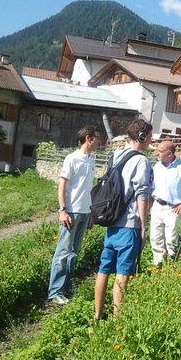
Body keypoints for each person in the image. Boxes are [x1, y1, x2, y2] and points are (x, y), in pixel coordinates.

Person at [94, 119, 153, 319]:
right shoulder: (141, 160)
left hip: (111, 222)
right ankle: (118, 320)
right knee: (123, 273)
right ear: (142, 137)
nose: (150, 141)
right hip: (129, 224)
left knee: (104, 269)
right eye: (149, 137)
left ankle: (98, 314)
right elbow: (142, 195)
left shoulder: (116, 155)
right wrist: (144, 225)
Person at [47, 125, 102, 305]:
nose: (99, 141)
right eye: (97, 137)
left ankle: (66, 288)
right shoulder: (72, 159)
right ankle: (55, 292)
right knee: (63, 253)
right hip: (71, 212)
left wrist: (91, 213)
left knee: (73, 253)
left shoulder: (91, 160)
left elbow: (87, 190)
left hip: (85, 213)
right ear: (88, 138)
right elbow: (62, 185)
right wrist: (62, 210)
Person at [150, 141, 181, 268]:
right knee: (155, 238)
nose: (157, 153)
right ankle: (158, 266)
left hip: (172, 208)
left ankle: (172, 265)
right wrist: (151, 205)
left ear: (170, 154)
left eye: (160, 151)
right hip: (157, 206)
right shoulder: (157, 166)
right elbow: (151, 187)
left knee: (171, 240)